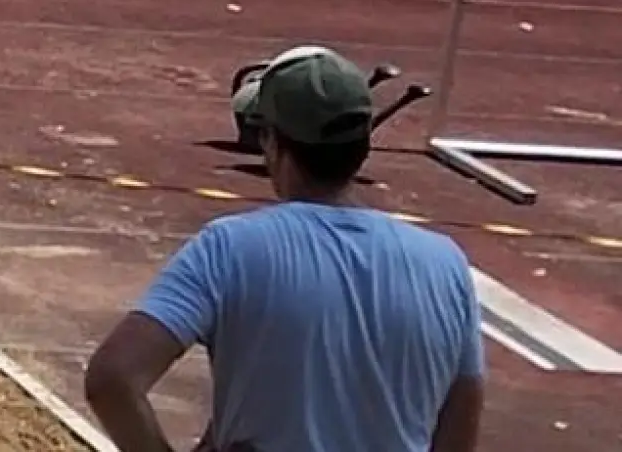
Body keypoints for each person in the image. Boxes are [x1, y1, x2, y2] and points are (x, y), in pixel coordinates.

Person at [83, 45, 485, 452]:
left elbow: (111, 379)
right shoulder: (446, 265)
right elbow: (457, 434)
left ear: (273, 143)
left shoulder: (229, 249)